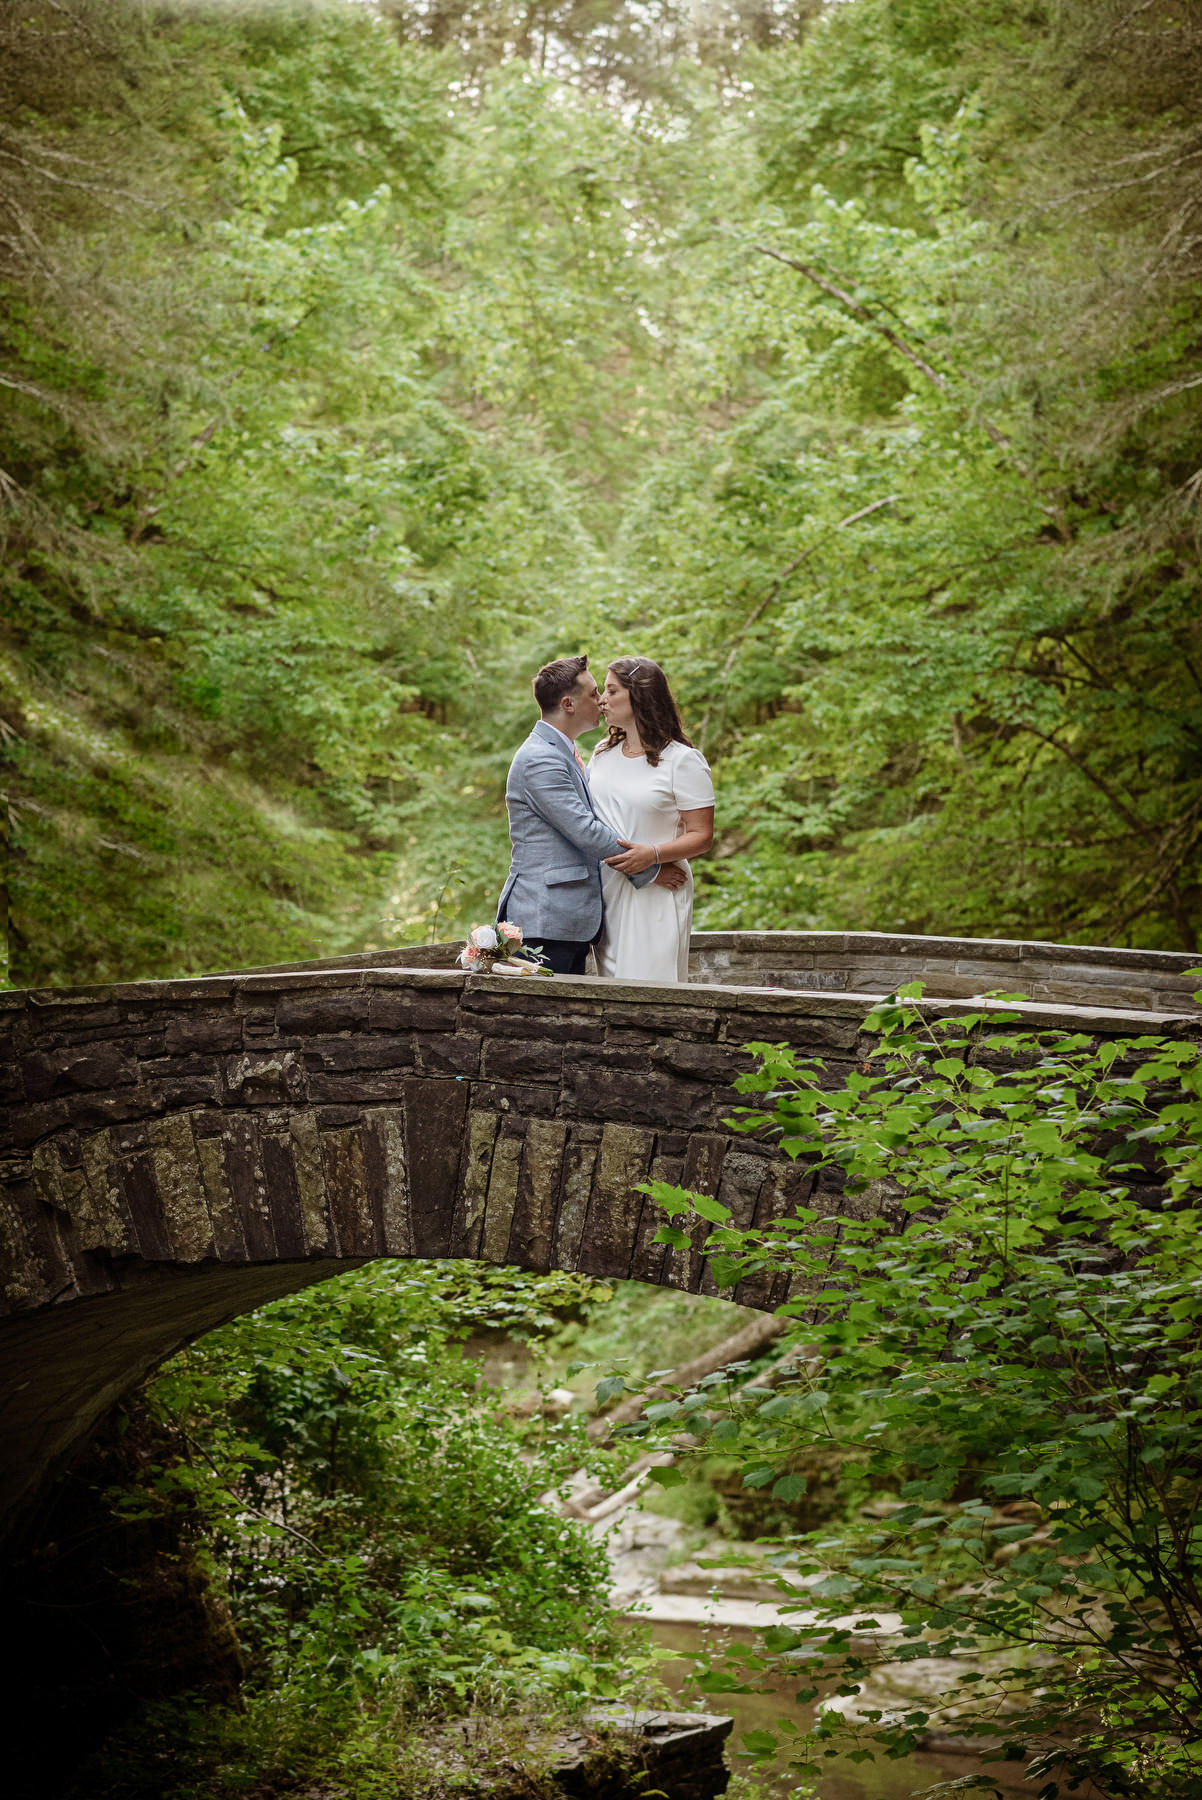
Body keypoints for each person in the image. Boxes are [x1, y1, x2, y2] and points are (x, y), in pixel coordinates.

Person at [498, 655, 685, 976]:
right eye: (594, 692)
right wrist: (649, 870)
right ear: (568, 704)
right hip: (544, 918)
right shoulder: (540, 759)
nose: (600, 701)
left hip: (567, 920)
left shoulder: (564, 751)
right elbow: (585, 830)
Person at [589, 657, 714, 983]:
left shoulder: (683, 761)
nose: (602, 699)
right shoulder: (602, 753)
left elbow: (702, 835)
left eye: (612, 690)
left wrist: (653, 857)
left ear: (640, 696)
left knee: (652, 989)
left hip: (658, 892)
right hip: (608, 888)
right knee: (609, 990)